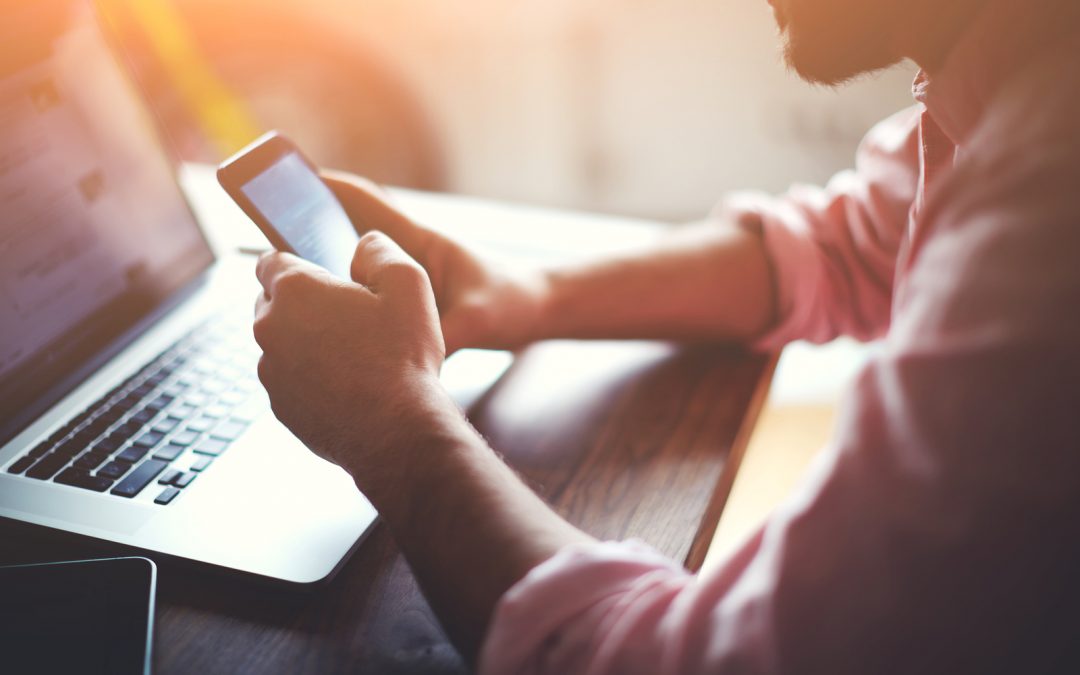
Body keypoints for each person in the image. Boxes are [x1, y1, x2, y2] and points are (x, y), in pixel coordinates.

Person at [251, 0, 1080, 671]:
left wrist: (395, 428)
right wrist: (522, 293)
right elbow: (855, 242)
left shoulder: (1050, 193)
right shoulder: (1020, 71)